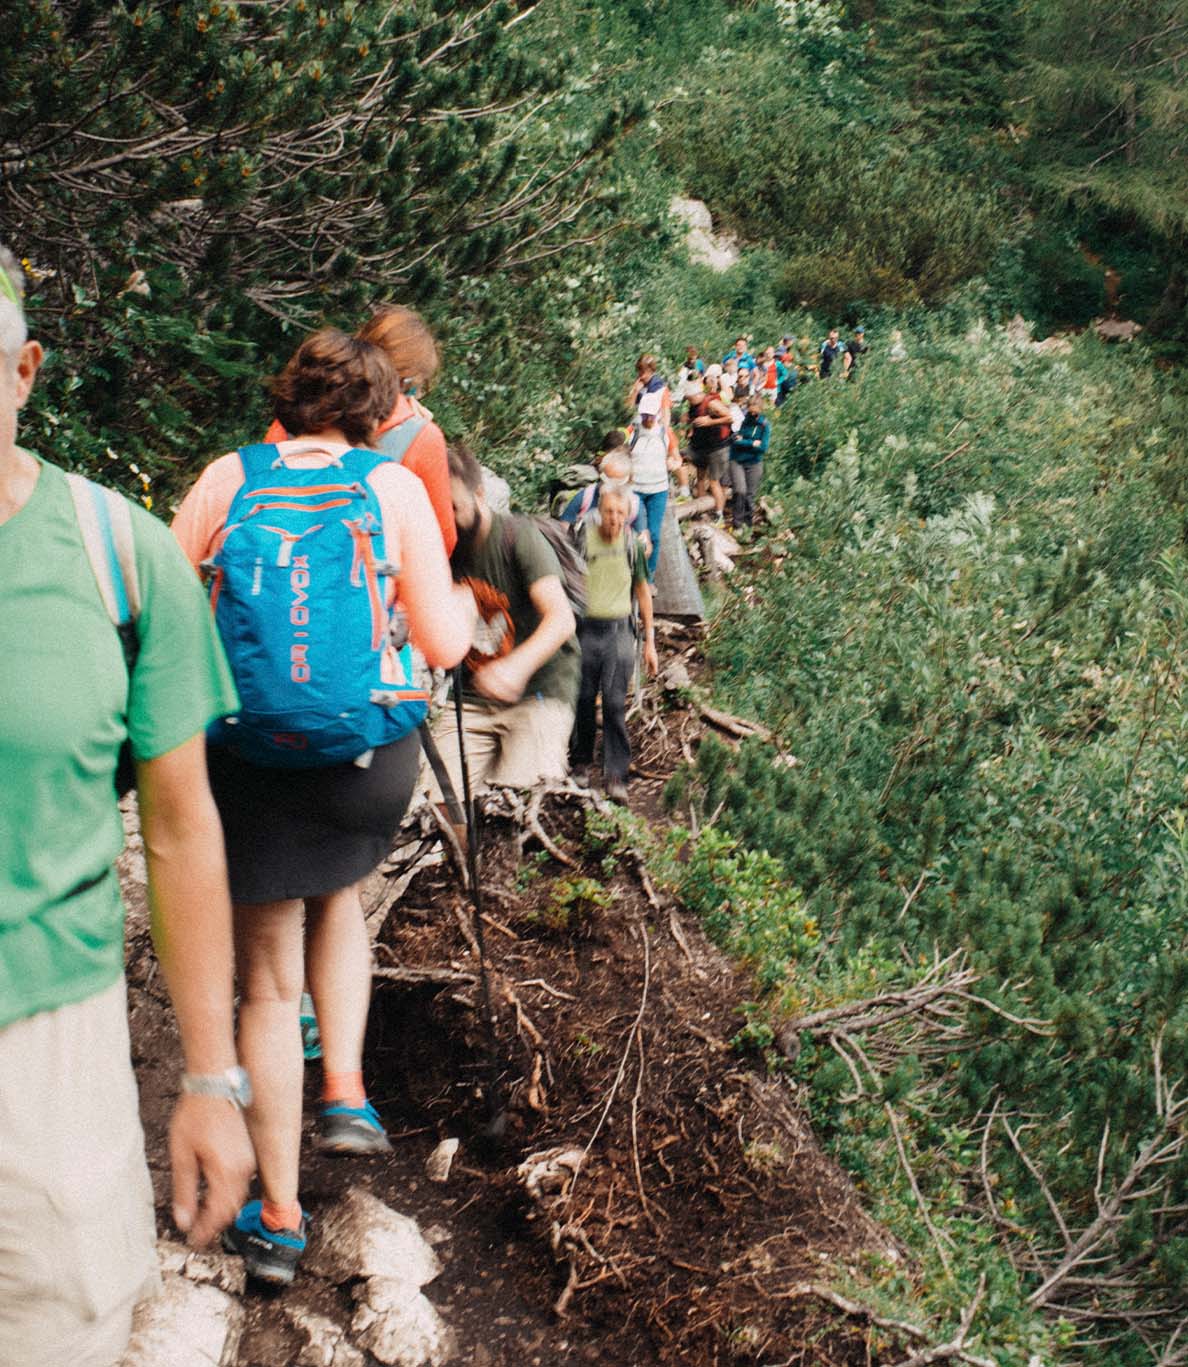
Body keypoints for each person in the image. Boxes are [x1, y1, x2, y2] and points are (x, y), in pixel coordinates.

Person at [173, 328, 473, 1287]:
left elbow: (169, 614)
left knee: (265, 982)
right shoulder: (393, 490)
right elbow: (443, 640)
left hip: (252, 752)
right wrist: (461, 609)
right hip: (365, 758)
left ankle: (283, 1217)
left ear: (288, 400)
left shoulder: (228, 479)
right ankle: (346, 1091)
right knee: (341, 887)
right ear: (378, 412)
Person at [0, 245, 255, 1367]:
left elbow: (184, 828)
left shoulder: (122, 559)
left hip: (47, 1056)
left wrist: (209, 1079)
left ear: (25, 369)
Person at [428, 442, 580, 800]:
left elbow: (561, 620)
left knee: (521, 803)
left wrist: (516, 667)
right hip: (471, 698)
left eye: (454, 507)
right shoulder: (441, 550)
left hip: (539, 693)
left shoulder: (519, 536)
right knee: (436, 806)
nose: (446, 520)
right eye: (438, 509)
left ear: (479, 494)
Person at [266, 304, 455, 555]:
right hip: (364, 584)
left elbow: (261, 489)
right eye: (413, 390)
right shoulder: (421, 437)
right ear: (406, 381)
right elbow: (442, 541)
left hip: (281, 570)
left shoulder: (297, 414)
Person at [570, 486, 658, 804]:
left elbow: (643, 592)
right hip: (586, 630)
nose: (615, 519)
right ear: (599, 511)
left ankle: (616, 774)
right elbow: (569, 581)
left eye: (621, 513)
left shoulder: (632, 545)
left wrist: (650, 641)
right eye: (609, 512)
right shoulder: (583, 539)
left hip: (619, 631)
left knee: (614, 703)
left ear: (628, 514)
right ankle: (580, 763)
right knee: (582, 699)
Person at [627, 390, 677, 580]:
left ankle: (648, 577)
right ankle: (631, 572)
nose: (647, 418)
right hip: (636, 490)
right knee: (638, 532)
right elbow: (620, 448)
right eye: (644, 414)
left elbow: (676, 457)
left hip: (658, 491)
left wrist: (673, 463)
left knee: (654, 534)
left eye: (650, 414)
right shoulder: (633, 430)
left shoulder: (665, 433)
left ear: (657, 413)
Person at [557, 449, 648, 539]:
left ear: (628, 482)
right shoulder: (585, 497)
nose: (611, 488)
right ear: (600, 475)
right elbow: (563, 528)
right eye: (607, 481)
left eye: (617, 484)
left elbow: (642, 539)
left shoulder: (635, 505)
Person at [686, 369, 733, 520]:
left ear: (697, 395)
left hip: (718, 447)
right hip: (702, 446)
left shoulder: (712, 403)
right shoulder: (693, 406)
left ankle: (719, 514)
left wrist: (710, 421)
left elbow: (730, 418)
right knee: (700, 476)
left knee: (713, 481)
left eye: (689, 398)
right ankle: (701, 510)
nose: (688, 401)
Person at [729, 395, 770, 535]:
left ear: (760, 410)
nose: (752, 414)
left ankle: (748, 525)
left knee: (749, 495)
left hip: (754, 462)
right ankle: (737, 524)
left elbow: (763, 447)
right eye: (750, 411)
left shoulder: (764, 424)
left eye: (755, 412)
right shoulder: (743, 420)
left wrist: (744, 441)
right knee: (739, 490)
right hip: (737, 459)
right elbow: (735, 439)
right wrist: (751, 443)